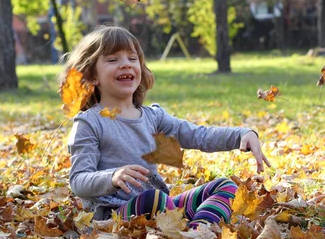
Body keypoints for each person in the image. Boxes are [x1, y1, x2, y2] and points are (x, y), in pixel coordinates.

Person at [62, 26, 271, 227]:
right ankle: (180, 229)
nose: (125, 64)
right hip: (115, 215)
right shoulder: (89, 123)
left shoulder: (153, 117)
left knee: (226, 186)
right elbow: (78, 180)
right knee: (153, 199)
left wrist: (242, 134)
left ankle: (198, 234)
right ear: (92, 76)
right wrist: (112, 177)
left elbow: (198, 135)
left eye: (132, 58)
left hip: (162, 208)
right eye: (113, 59)